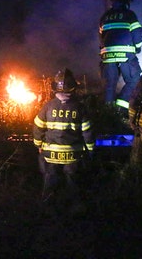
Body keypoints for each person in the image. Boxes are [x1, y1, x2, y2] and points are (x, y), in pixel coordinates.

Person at [33, 69, 94, 201]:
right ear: (73, 89)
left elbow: (38, 127)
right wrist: (90, 150)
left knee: (50, 180)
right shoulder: (80, 108)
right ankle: (74, 207)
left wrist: (38, 144)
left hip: (50, 154)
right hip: (73, 153)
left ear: (55, 88)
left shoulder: (47, 106)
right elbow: (88, 132)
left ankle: (47, 208)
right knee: (73, 183)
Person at [98, 0, 142, 114]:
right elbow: (137, 33)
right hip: (126, 54)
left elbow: (101, 36)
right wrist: (138, 47)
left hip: (107, 56)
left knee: (109, 85)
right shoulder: (130, 15)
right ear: (127, 0)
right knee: (134, 80)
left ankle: (109, 114)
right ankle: (121, 107)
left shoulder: (105, 16)